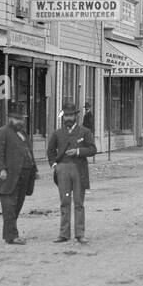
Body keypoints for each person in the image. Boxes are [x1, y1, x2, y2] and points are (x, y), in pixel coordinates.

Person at [47, 100, 97, 244]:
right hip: (62, 169)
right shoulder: (57, 133)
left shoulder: (84, 132)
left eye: (70, 115)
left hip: (79, 169)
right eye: (66, 116)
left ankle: (80, 234)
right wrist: (55, 165)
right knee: (65, 202)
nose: (68, 118)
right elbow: (50, 151)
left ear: (76, 116)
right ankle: (64, 234)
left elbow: (93, 149)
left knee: (79, 203)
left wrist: (78, 151)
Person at [0, 103, 36, 245]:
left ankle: (10, 233)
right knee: (9, 207)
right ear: (9, 118)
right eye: (17, 119)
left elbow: (28, 151)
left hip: (24, 175)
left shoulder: (23, 133)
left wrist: (35, 169)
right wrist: (1, 169)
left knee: (17, 206)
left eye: (22, 119)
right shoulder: (1, 133)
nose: (20, 121)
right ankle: (12, 236)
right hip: (8, 176)